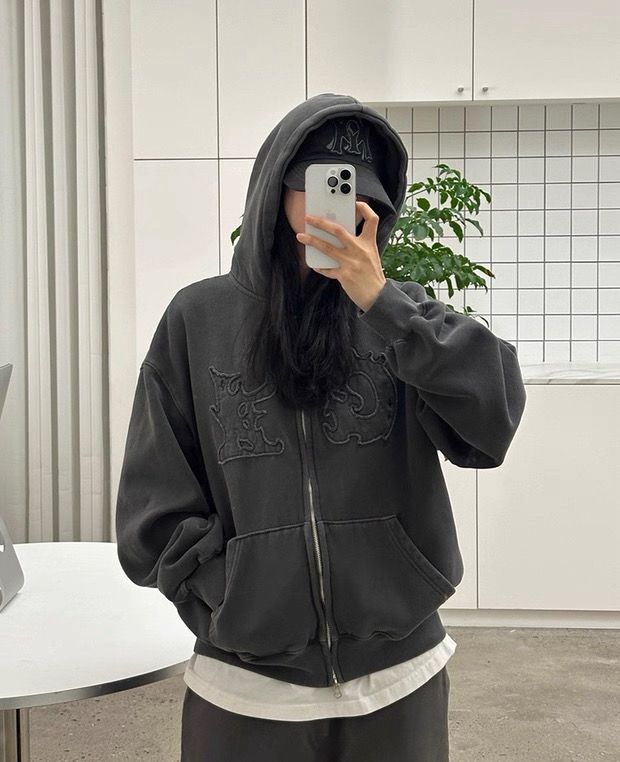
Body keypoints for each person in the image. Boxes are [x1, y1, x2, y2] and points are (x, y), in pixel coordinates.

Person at [115, 92, 527, 761]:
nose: (341, 206)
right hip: (245, 687)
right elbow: (151, 506)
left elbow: (494, 418)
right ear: (273, 191)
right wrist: (229, 597)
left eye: (361, 195)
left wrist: (384, 304)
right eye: (321, 186)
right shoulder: (198, 320)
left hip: (401, 678)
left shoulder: (402, 316)